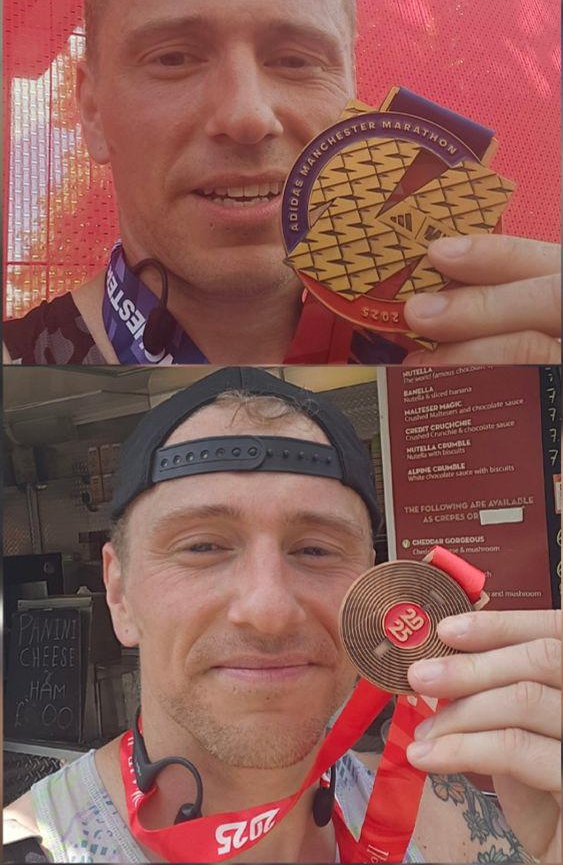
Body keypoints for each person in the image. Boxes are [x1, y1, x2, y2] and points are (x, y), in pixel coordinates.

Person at [4, 367, 561, 863]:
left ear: (373, 582)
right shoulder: (26, 846)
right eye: (202, 547)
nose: (269, 612)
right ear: (119, 593)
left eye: (315, 550)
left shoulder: (450, 821)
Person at [3, 0, 561, 367]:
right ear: (92, 112)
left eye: (296, 61)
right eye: (174, 57)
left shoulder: (495, 358)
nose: (247, 115)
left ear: (352, 98)